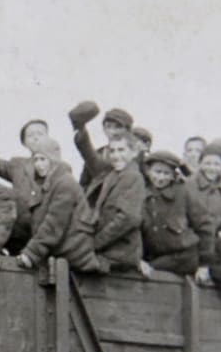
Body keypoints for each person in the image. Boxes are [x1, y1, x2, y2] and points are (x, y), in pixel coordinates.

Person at [13, 144, 100, 272]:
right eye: (35, 160)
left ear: (54, 160)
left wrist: (31, 254)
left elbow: (54, 223)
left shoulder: (65, 183)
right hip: (61, 254)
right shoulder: (48, 185)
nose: (38, 165)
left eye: (43, 159)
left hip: (74, 254)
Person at [138, 151, 217, 278]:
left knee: (150, 271)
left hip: (182, 257)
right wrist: (139, 258)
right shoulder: (142, 194)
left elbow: (205, 226)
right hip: (155, 256)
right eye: (157, 172)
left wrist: (204, 265)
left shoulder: (183, 193)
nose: (161, 178)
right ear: (148, 172)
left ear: (173, 176)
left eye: (166, 173)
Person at [87, 133, 146, 272]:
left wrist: (95, 243)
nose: (116, 155)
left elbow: (127, 218)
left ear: (133, 152)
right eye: (112, 151)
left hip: (122, 252)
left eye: (121, 150)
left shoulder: (134, 177)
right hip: (108, 248)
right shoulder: (111, 176)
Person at [68, 100, 133, 187]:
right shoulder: (100, 152)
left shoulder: (134, 155)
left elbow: (99, 166)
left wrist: (82, 132)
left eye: (118, 127)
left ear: (128, 130)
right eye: (108, 126)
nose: (112, 132)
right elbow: (84, 183)